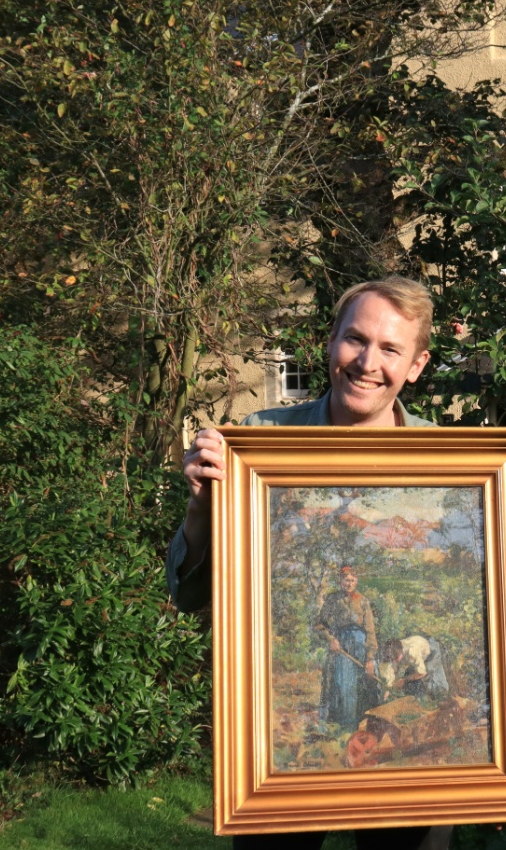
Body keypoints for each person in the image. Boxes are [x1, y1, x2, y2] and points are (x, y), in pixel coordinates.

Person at [167, 276, 451, 850]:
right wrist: (201, 511)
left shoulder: (451, 464)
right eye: (356, 340)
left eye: (391, 349)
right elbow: (189, 596)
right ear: (329, 344)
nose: (368, 362)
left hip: (409, 785)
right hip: (274, 762)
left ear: (416, 366)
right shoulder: (259, 441)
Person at [314, 566, 379, 730]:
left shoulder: (363, 601)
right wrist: (331, 639)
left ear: (356, 581)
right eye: (346, 580)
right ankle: (346, 727)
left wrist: (370, 658)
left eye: (352, 580)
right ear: (340, 582)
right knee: (344, 685)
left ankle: (367, 725)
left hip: (361, 647)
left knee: (367, 682)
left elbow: (370, 630)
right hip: (341, 646)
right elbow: (319, 624)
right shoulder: (332, 600)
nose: (349, 584)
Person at [381, 634, 450, 703]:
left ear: (400, 652)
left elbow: (422, 673)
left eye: (396, 658)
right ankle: (418, 700)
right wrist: (388, 688)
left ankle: (442, 700)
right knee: (412, 679)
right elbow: (392, 669)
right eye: (393, 659)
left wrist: (404, 680)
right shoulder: (394, 649)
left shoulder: (412, 651)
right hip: (417, 657)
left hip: (431, 653)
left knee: (435, 681)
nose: (395, 660)